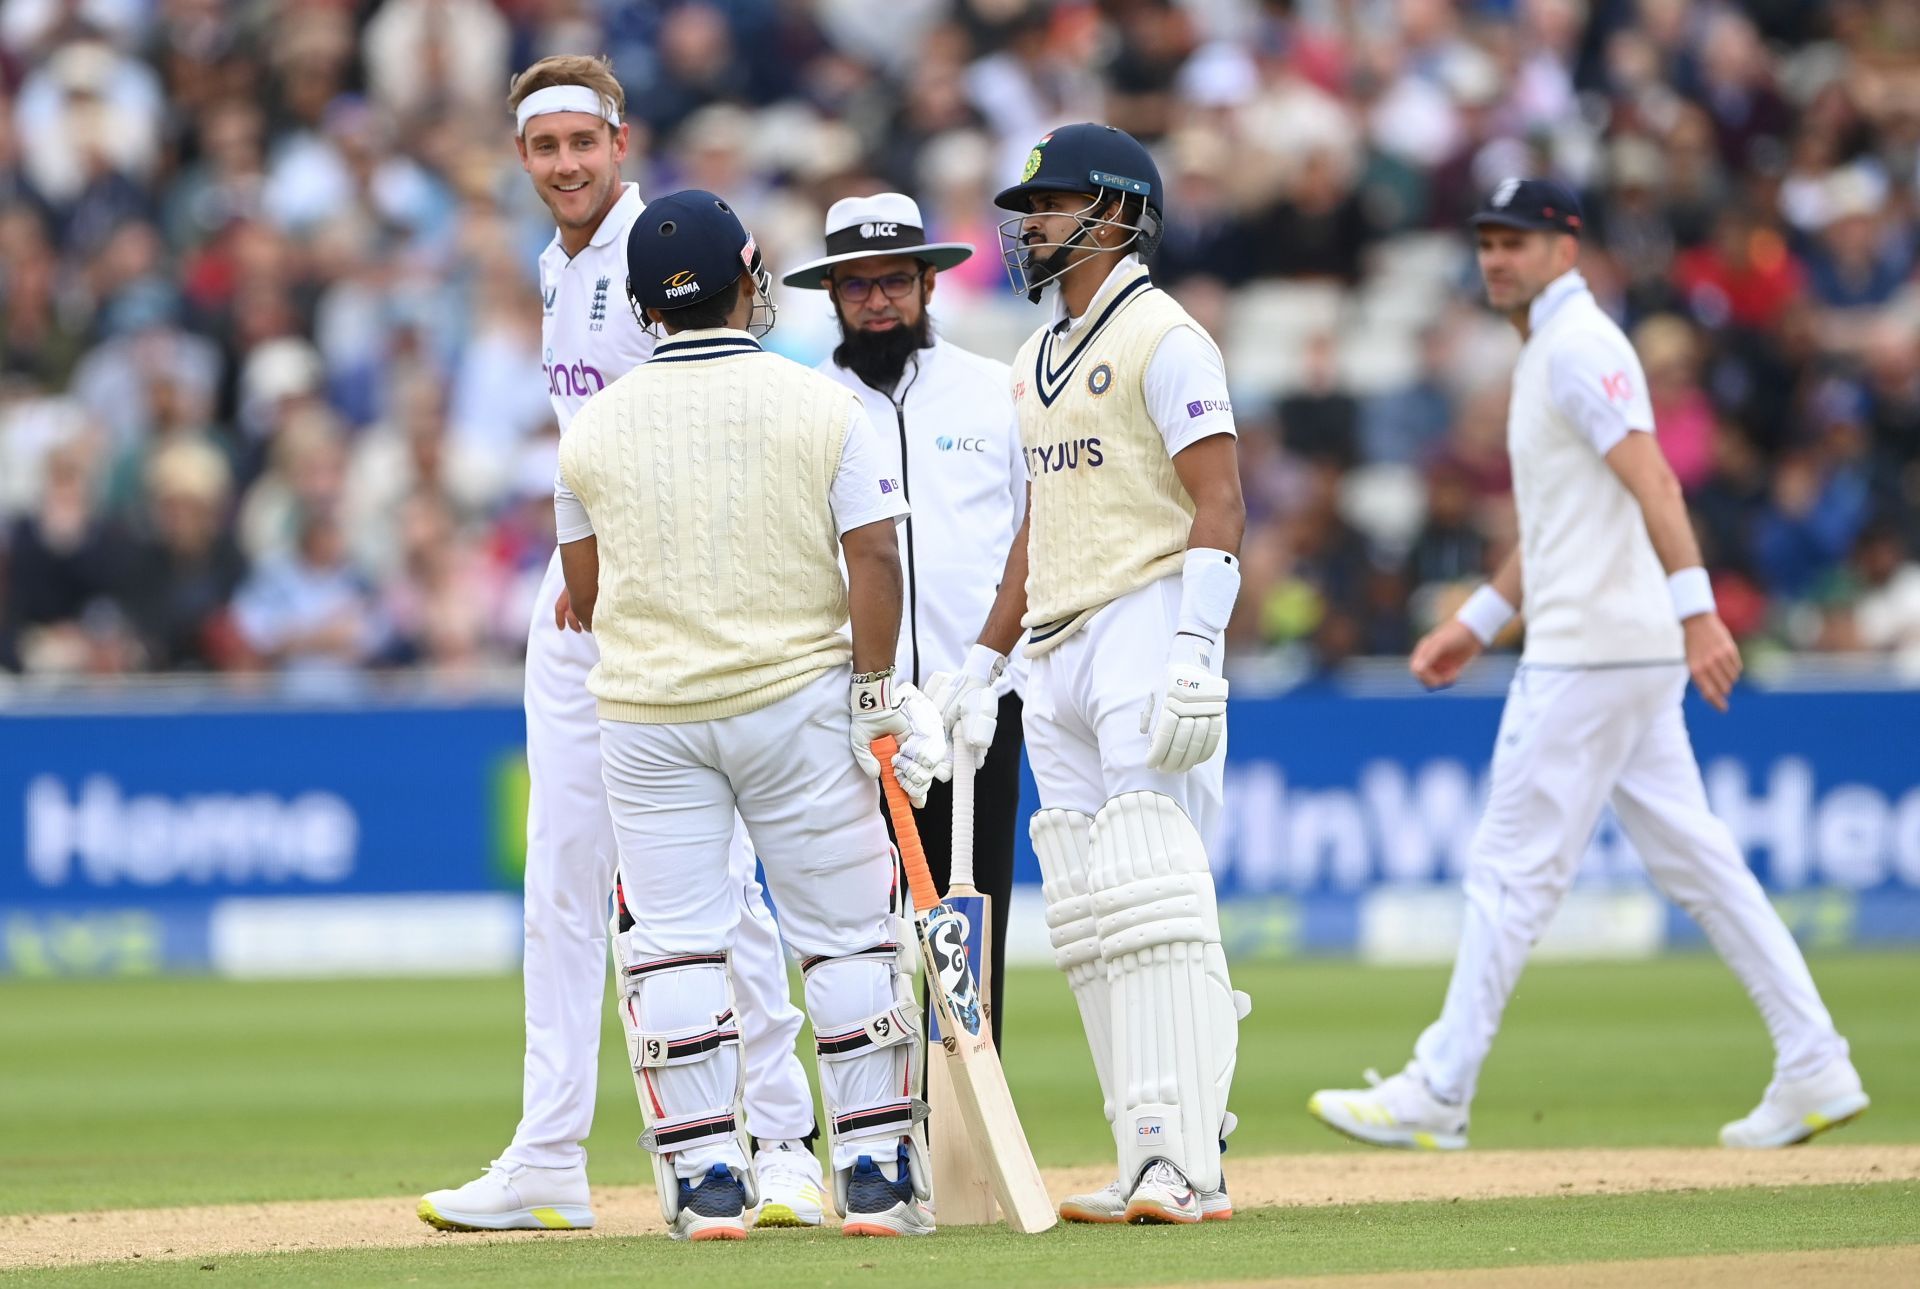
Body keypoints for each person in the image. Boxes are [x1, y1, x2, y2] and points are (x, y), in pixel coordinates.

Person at [1308, 178, 1869, 1153]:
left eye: (1516, 241)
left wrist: (1700, 612)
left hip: (1593, 650)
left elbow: (1651, 473)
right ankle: (1814, 1057)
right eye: (1486, 241)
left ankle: (1439, 1087)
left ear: (1566, 249)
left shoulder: (1579, 346)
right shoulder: (1550, 350)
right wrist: (1480, 619)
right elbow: (1567, 518)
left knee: (1508, 870)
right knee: (1696, 857)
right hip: (1613, 644)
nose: (1495, 257)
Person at [419, 57, 822, 1235]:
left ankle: (783, 1138)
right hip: (579, 590)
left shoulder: (666, 252)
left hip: (680, 598)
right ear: (522, 156)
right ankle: (546, 1152)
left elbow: (725, 422)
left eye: (580, 144)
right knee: (562, 871)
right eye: (542, 148)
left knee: (708, 886)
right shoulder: (554, 266)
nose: (564, 165)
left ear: (619, 141)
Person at [555, 189, 948, 1240]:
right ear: (747, 280)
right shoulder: (823, 406)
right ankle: (873, 1170)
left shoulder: (589, 429)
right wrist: (875, 689)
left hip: (647, 715)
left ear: (644, 308)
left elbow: (581, 592)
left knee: (674, 946)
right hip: (794, 701)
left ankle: (707, 1178)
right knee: (849, 935)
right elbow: (875, 557)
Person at [960, 123, 1248, 1225]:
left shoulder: (1168, 337)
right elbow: (1041, 520)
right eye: (1029, 206)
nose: (1030, 224)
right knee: (1085, 905)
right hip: (1057, 642)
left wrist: (1194, 649)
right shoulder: (1037, 357)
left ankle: (1190, 1161)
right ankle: (1143, 1149)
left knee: (1153, 891)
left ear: (1118, 212)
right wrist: (983, 665)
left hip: (1146, 617)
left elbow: (1219, 503)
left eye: (1053, 203)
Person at [781, 192, 1026, 1045]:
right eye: (858, 285)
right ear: (833, 295)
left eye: (895, 281)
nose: (878, 300)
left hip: (975, 702)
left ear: (927, 283)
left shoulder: (994, 392)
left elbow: (1037, 534)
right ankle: (883, 1132)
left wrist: (998, 669)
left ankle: (969, 1133)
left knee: (974, 919)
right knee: (863, 932)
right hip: (853, 713)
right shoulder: (804, 405)